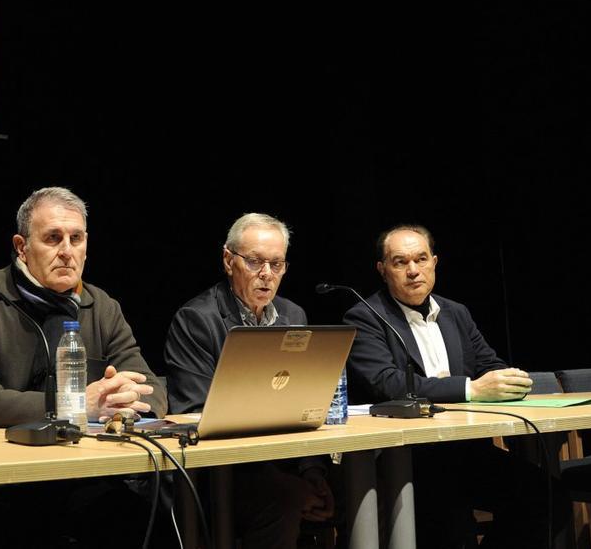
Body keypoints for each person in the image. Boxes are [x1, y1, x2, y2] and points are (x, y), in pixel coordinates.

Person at [0, 186, 169, 548]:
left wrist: (126, 404)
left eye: (76, 238)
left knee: (147, 517)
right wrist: (77, 404)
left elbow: (152, 389)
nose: (67, 251)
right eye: (53, 238)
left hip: (81, 476)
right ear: (21, 246)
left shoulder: (102, 306)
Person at [344, 224, 569, 549]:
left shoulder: (456, 313)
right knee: (449, 520)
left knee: (548, 497)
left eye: (421, 259)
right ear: (382, 269)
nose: (413, 271)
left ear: (434, 262)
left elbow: (490, 366)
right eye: (400, 262)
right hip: (407, 459)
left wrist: (508, 381)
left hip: (465, 449)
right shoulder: (364, 317)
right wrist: (471, 390)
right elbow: (388, 384)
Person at [164, 213, 334, 549]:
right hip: (224, 476)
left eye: (277, 264)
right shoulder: (197, 320)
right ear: (229, 261)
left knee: (363, 484)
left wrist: (313, 471)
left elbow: (303, 407)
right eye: (255, 262)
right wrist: (283, 482)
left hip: (287, 463)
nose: (267, 275)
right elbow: (195, 414)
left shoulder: (294, 316)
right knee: (282, 500)